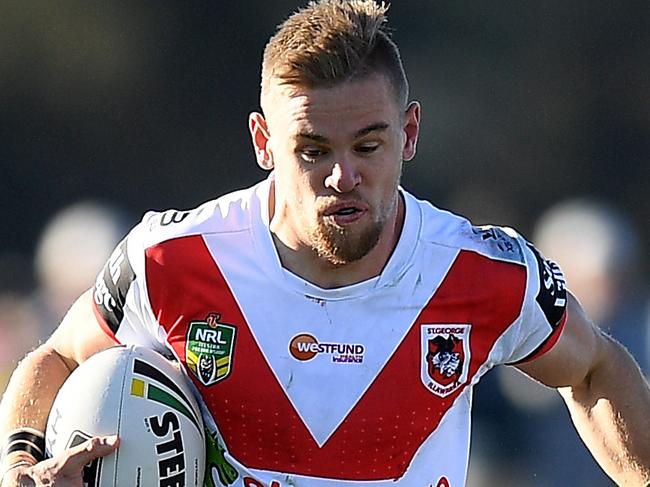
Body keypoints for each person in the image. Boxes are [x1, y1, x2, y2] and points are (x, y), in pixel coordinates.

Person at [1, 1, 649, 486]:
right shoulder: (171, 259)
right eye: (313, 150)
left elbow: (595, 367)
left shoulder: (483, 274)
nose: (344, 176)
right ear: (263, 142)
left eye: (368, 144)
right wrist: (20, 459)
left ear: (410, 132)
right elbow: (57, 354)